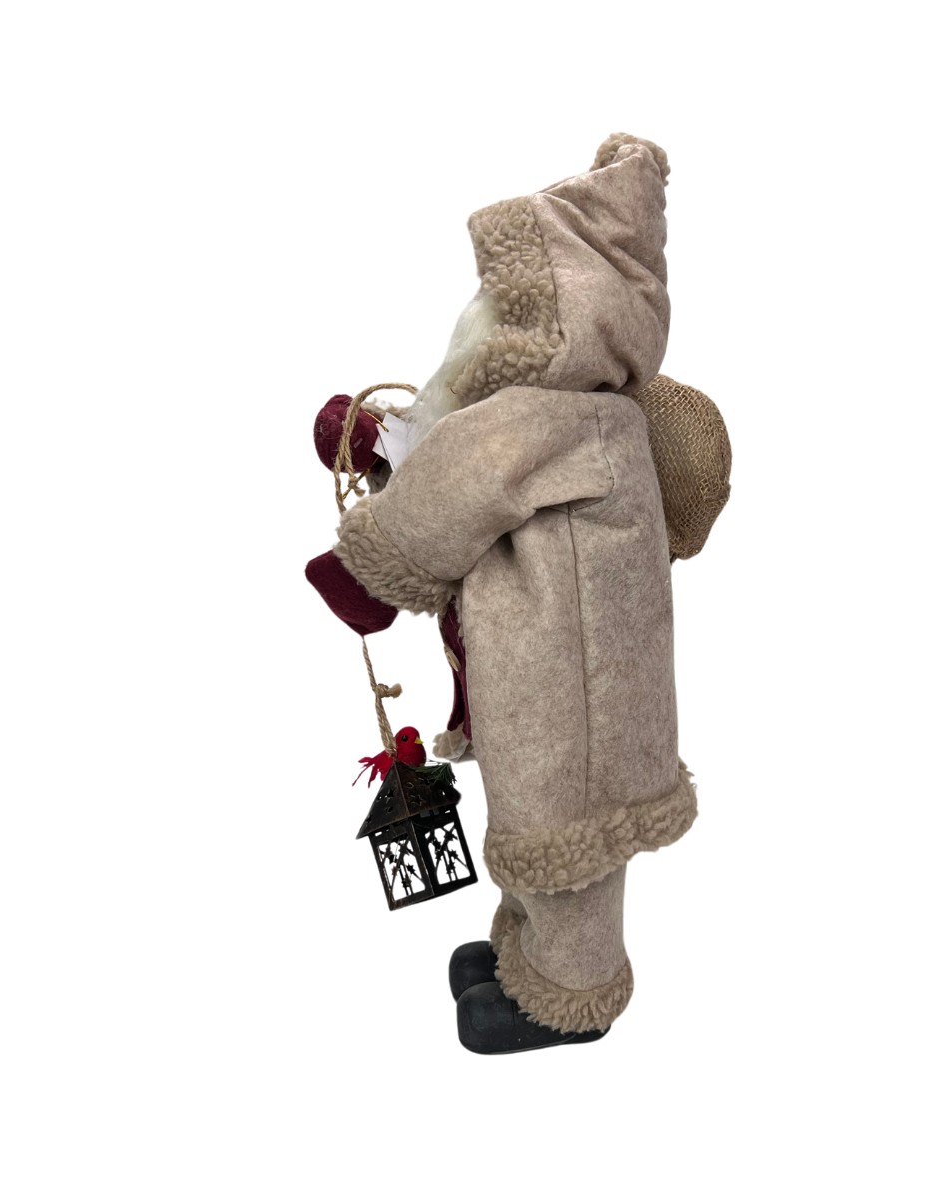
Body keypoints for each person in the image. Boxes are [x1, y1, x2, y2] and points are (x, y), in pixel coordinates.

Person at [308, 133, 699, 1054]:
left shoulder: (554, 418)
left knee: (568, 842)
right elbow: (452, 449)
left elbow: (460, 483)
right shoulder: (575, 413)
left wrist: (370, 568)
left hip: (576, 694)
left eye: (507, 304)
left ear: (555, 313)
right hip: (561, 675)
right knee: (535, 821)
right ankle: (528, 957)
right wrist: (383, 441)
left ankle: (573, 994)